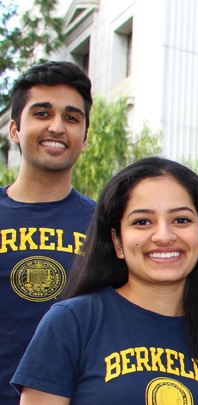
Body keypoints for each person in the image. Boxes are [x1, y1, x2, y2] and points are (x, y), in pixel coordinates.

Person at [11, 157, 198, 404]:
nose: (164, 236)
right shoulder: (72, 323)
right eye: (142, 222)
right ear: (117, 241)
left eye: (181, 220)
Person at [0, 61, 94, 404]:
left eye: (71, 118)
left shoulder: (107, 228)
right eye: (42, 113)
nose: (57, 127)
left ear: (84, 138)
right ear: (14, 129)